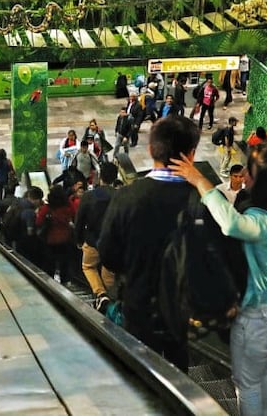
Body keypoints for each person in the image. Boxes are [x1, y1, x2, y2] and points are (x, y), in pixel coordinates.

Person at [171, 139, 267, 416]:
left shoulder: (265, 221)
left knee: (246, 383)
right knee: (261, 371)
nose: (243, 175)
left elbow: (231, 224)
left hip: (258, 315)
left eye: (250, 172)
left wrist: (199, 180)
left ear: (266, 183)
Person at [98, 113, 202, 372]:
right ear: (191, 154)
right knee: (178, 366)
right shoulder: (202, 201)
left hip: (138, 303)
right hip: (181, 308)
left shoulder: (127, 197)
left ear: (151, 149)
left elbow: (108, 255)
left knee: (140, 370)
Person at [75, 163, 119, 311]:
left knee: (88, 266)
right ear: (115, 177)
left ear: (100, 177)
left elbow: (79, 220)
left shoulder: (88, 196)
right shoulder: (119, 196)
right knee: (109, 272)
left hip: (92, 241)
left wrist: (79, 240)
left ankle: (101, 295)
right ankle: (112, 303)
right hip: (113, 243)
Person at [36, 184, 76, 283]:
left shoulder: (47, 208)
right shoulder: (68, 205)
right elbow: (75, 213)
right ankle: (65, 282)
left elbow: (38, 222)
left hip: (50, 239)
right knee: (64, 262)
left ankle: (50, 282)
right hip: (66, 238)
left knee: (50, 263)